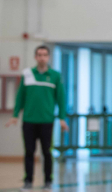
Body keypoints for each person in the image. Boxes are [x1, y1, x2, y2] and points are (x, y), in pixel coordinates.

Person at [6, 45, 68, 191]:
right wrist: (15, 115)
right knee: (29, 152)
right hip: (28, 121)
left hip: (47, 121)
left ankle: (48, 181)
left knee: (47, 152)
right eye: (39, 55)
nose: (42, 57)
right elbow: (20, 96)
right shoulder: (27, 74)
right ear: (35, 57)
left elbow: (61, 98)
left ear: (48, 57)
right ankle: (28, 181)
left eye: (45, 55)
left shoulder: (55, 76)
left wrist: (62, 118)